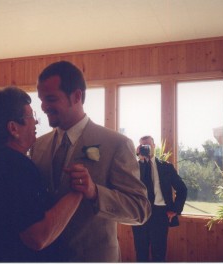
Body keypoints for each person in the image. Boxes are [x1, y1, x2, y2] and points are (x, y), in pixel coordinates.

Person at [31, 60, 151, 261]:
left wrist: (95, 192)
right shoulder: (38, 146)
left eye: (50, 99)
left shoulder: (116, 144)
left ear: (76, 96)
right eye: (41, 99)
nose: (43, 107)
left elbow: (140, 210)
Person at [0, 87, 83, 262]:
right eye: (31, 117)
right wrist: (77, 190)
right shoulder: (16, 166)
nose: (36, 122)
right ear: (13, 128)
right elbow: (38, 238)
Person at [132, 135, 187, 262]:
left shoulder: (166, 167)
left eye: (149, 146)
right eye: (143, 146)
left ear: (154, 146)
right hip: (140, 214)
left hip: (160, 214)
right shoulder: (134, 168)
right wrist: (138, 158)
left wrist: (175, 209)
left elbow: (182, 189)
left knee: (159, 253)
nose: (146, 149)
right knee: (141, 253)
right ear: (139, 148)